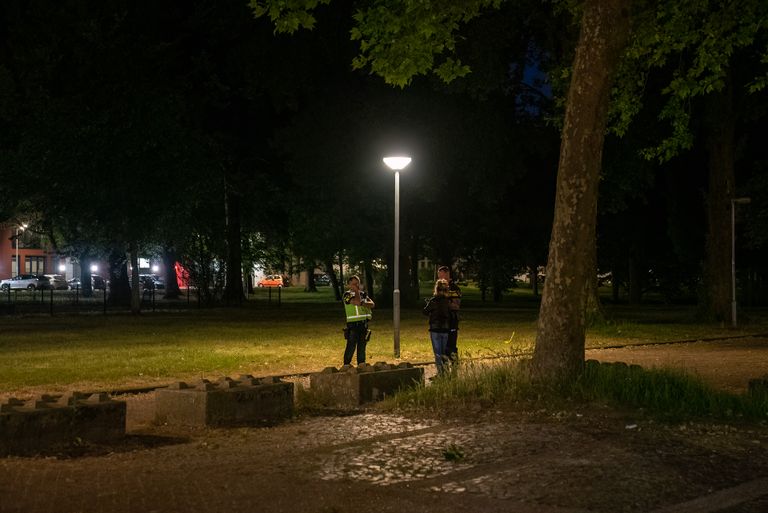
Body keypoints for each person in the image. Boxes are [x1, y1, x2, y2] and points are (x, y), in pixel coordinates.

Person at [342, 275, 375, 366]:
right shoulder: (346, 295)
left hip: (363, 324)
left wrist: (362, 303)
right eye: (353, 284)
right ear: (349, 284)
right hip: (353, 325)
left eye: (357, 284)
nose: (356, 286)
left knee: (362, 345)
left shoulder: (363, 294)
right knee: (351, 345)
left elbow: (372, 304)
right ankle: (346, 364)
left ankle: (361, 364)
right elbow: (356, 302)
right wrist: (357, 293)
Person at [423, 279, 451, 375]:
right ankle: (446, 372)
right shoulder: (448, 302)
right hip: (445, 328)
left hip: (435, 328)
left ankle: (440, 373)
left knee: (437, 353)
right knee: (444, 352)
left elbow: (425, 311)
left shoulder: (433, 301)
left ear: (436, 289)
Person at [438, 265, 462, 363]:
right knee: (441, 349)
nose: (440, 279)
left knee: (451, 346)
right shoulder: (439, 288)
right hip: (440, 322)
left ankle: (454, 370)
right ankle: (443, 373)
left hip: (451, 321)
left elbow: (456, 306)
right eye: (439, 277)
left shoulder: (455, 288)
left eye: (442, 277)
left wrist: (445, 302)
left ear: (447, 275)